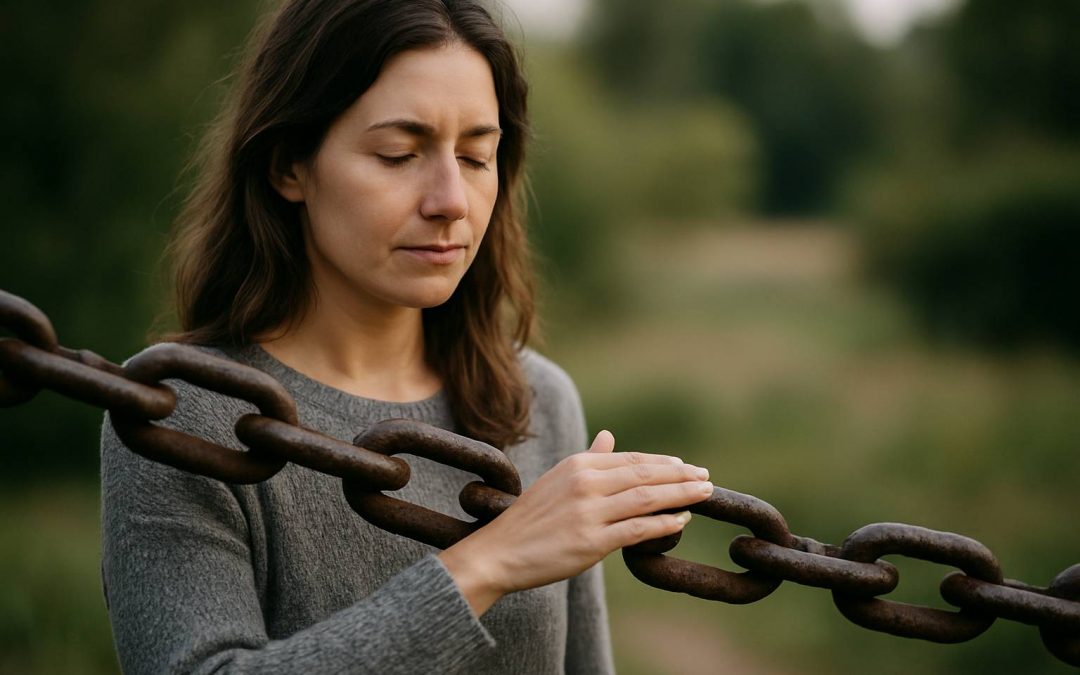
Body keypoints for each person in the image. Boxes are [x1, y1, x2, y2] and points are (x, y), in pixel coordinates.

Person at [99, 1, 714, 673]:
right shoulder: (183, 413)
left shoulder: (535, 399)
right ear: (288, 165)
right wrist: (485, 564)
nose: (450, 198)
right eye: (400, 154)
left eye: (477, 156)